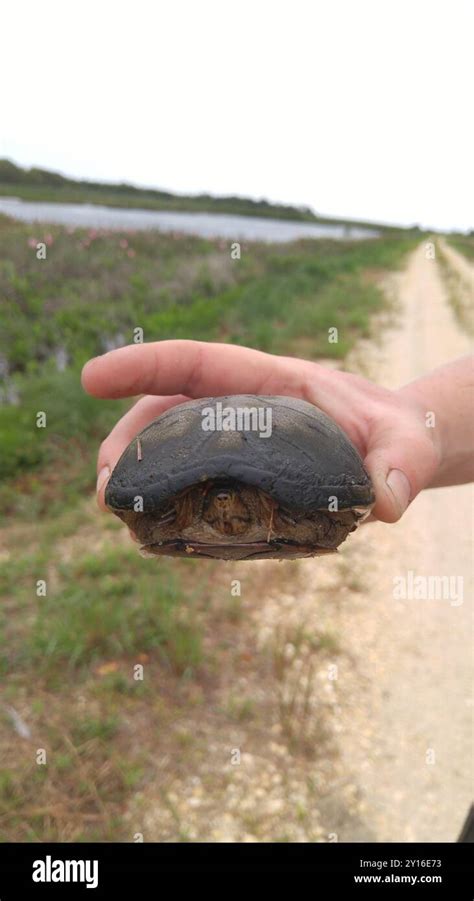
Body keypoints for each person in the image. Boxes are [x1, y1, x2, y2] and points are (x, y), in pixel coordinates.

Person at [81, 341, 474, 520]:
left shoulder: (302, 514)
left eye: (235, 498)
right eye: (216, 499)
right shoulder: (166, 514)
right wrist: (424, 421)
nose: (225, 504)